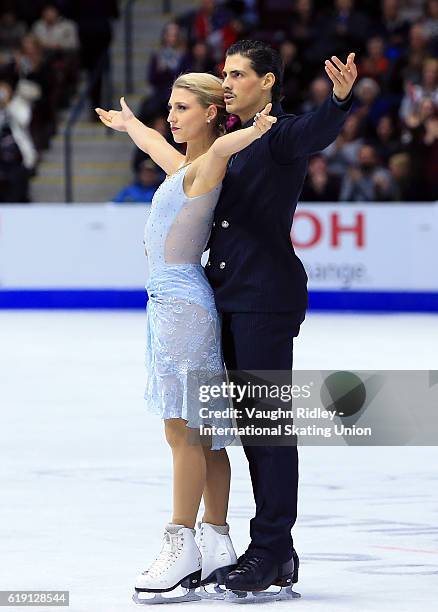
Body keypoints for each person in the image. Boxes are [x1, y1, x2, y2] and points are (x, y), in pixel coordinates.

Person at [95, 72, 277, 603]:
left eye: (182, 108)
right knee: (206, 433)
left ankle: (181, 544)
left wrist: (259, 126)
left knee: (183, 431)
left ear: (211, 111)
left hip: (180, 307)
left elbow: (224, 142)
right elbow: (161, 146)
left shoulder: (212, 160)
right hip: (174, 306)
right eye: (170, 108)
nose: (171, 117)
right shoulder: (188, 168)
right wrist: (132, 126)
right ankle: (216, 539)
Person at [203, 40, 357, 600]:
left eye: (239, 74)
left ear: (267, 81)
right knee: (253, 431)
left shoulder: (279, 134)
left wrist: (339, 100)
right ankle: (277, 550)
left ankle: (269, 549)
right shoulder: (228, 138)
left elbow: (315, 131)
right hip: (232, 295)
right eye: (225, 73)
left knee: (268, 430)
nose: (228, 82)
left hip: (265, 298)